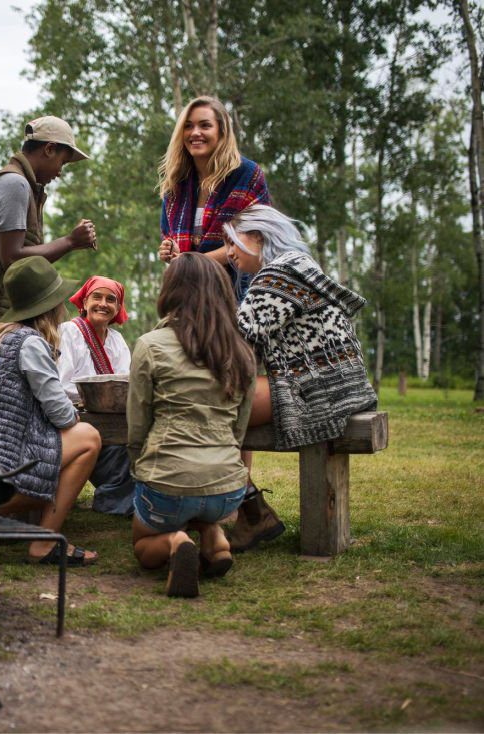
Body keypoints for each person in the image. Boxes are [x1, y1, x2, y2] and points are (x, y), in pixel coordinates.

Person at [222, 205, 378, 551]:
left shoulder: (277, 275)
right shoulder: (297, 265)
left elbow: (236, 337)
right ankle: (247, 509)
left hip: (315, 390)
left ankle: (248, 510)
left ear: (258, 238)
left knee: (212, 409)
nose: (229, 252)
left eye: (233, 241)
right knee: (224, 403)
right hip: (338, 383)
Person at [0, 256, 102, 565]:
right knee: (88, 437)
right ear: (50, 306)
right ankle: (41, 542)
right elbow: (61, 414)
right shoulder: (30, 343)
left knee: (53, 444)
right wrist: (73, 414)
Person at [127, 253, 256, 598]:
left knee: (142, 544)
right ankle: (215, 539)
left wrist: (139, 471)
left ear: (171, 291)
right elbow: (239, 432)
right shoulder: (242, 352)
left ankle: (176, 541)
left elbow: (138, 426)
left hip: (167, 485)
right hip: (228, 491)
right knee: (199, 495)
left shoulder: (150, 346)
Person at [0, 115, 97, 379]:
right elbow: (12, 258)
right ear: (49, 149)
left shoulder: (25, 185)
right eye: (62, 162)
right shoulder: (15, 183)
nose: (60, 171)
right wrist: (70, 242)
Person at [157, 96, 271, 295]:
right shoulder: (176, 184)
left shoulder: (246, 175)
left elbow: (255, 240)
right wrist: (171, 250)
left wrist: (193, 263)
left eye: (205, 125)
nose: (195, 133)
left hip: (239, 293)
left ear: (222, 131)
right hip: (189, 295)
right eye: (188, 126)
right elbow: (172, 238)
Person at [56, 275, 135, 515]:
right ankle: (118, 499)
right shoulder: (69, 332)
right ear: (84, 303)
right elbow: (61, 382)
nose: (103, 304)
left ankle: (128, 496)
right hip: (75, 414)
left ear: (118, 308)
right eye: (97, 297)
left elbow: (125, 379)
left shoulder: (117, 340)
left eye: (111, 299)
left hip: (111, 414)